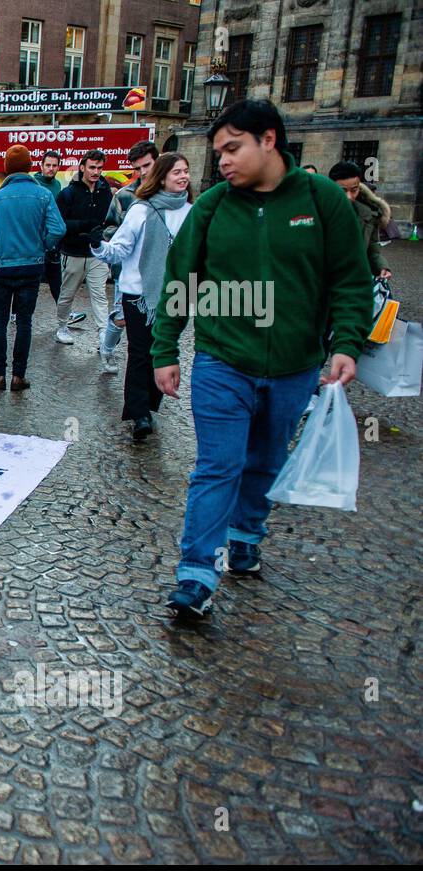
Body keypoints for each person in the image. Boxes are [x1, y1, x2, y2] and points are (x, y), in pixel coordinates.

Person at [151, 99, 373, 619]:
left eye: (233, 148)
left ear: (268, 140)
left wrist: (347, 344)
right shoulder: (211, 208)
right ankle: (196, 574)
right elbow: (181, 282)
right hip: (222, 360)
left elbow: (350, 277)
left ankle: (247, 534)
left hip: (296, 365)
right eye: (217, 151)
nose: (222, 161)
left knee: (265, 461)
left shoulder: (322, 201)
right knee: (217, 466)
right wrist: (165, 350)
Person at [92, 152, 193, 440]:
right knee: (139, 351)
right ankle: (139, 413)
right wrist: (99, 246)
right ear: (162, 177)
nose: (183, 176)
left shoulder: (191, 211)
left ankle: (150, 403)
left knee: (162, 348)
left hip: (173, 292)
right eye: (177, 172)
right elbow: (120, 250)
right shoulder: (141, 210)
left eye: (186, 171)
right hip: (138, 293)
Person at [0, 147, 66, 391]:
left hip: (1, 266)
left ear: (7, 168)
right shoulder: (43, 195)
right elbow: (58, 229)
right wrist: (41, 245)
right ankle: (18, 376)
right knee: (24, 321)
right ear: (30, 165)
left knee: (0, 320)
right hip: (31, 266)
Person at [97, 141, 161, 373]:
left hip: (159, 272)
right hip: (128, 270)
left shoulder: (170, 193)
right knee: (123, 318)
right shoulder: (125, 196)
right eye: (138, 167)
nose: (143, 172)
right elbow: (109, 230)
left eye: (147, 165)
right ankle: (107, 347)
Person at [54, 149, 113, 344]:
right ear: (82, 168)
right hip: (73, 252)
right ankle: (62, 326)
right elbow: (59, 224)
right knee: (67, 294)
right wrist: (82, 226)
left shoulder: (106, 193)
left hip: (98, 253)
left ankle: (104, 335)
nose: (96, 172)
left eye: (99, 168)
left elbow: (111, 221)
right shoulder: (68, 194)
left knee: (99, 296)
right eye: (92, 167)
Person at [328, 161, 391, 280]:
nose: (349, 196)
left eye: (354, 190)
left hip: (352, 281)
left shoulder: (368, 215)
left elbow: (372, 249)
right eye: (342, 190)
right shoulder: (314, 212)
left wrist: (382, 267)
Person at [34, 151, 64, 307]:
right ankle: (16, 312)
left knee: (55, 279)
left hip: (52, 241)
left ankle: (64, 311)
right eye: (48, 165)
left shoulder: (57, 185)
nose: (51, 168)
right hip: (36, 241)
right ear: (41, 165)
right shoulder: (35, 184)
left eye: (54, 165)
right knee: (31, 282)